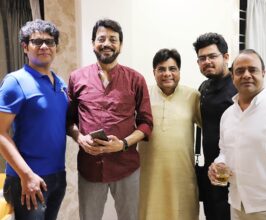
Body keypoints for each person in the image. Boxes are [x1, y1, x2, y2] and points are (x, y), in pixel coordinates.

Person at [67, 19, 153, 220]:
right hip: (90, 167)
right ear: (93, 44)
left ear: (120, 45)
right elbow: (69, 121)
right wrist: (80, 138)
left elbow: (146, 123)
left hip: (126, 166)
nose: (107, 43)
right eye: (101, 39)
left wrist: (122, 144)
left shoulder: (136, 79)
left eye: (113, 39)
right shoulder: (76, 77)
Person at [208, 49, 266, 220]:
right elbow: (225, 151)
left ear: (263, 72)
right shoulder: (227, 115)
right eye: (240, 71)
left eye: (253, 69)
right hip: (236, 205)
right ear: (232, 76)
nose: (246, 75)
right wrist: (218, 164)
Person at [0, 19, 68, 220]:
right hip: (27, 179)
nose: (44, 46)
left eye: (50, 41)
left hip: (57, 176)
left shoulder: (60, 83)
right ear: (25, 47)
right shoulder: (15, 81)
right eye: (37, 42)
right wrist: (26, 175)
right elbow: (1, 133)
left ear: (56, 47)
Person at [138, 48, 201, 220]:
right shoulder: (142, 95)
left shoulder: (193, 96)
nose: (167, 74)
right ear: (154, 72)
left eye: (172, 69)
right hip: (148, 177)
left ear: (179, 71)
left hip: (182, 176)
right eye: (161, 69)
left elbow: (212, 129)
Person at [193, 32, 236, 220]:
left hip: (235, 170)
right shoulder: (203, 87)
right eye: (202, 58)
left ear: (226, 57)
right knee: (212, 214)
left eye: (212, 56)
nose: (207, 62)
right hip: (210, 168)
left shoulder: (238, 87)